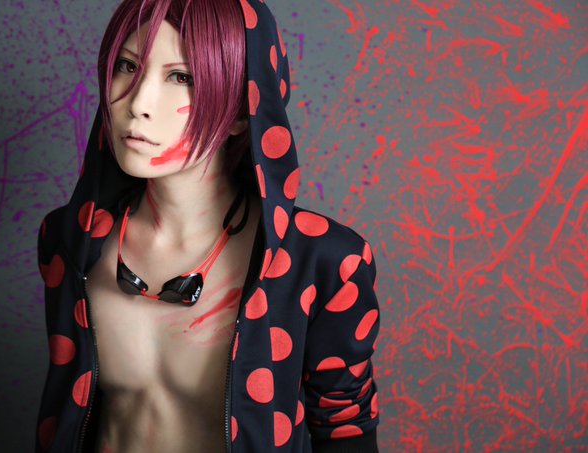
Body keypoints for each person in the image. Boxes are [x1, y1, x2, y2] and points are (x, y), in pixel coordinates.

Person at [35, 0, 380, 451]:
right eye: (127, 66)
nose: (138, 103)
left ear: (242, 111)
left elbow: (345, 429)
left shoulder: (324, 261)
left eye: (183, 78)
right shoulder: (69, 240)